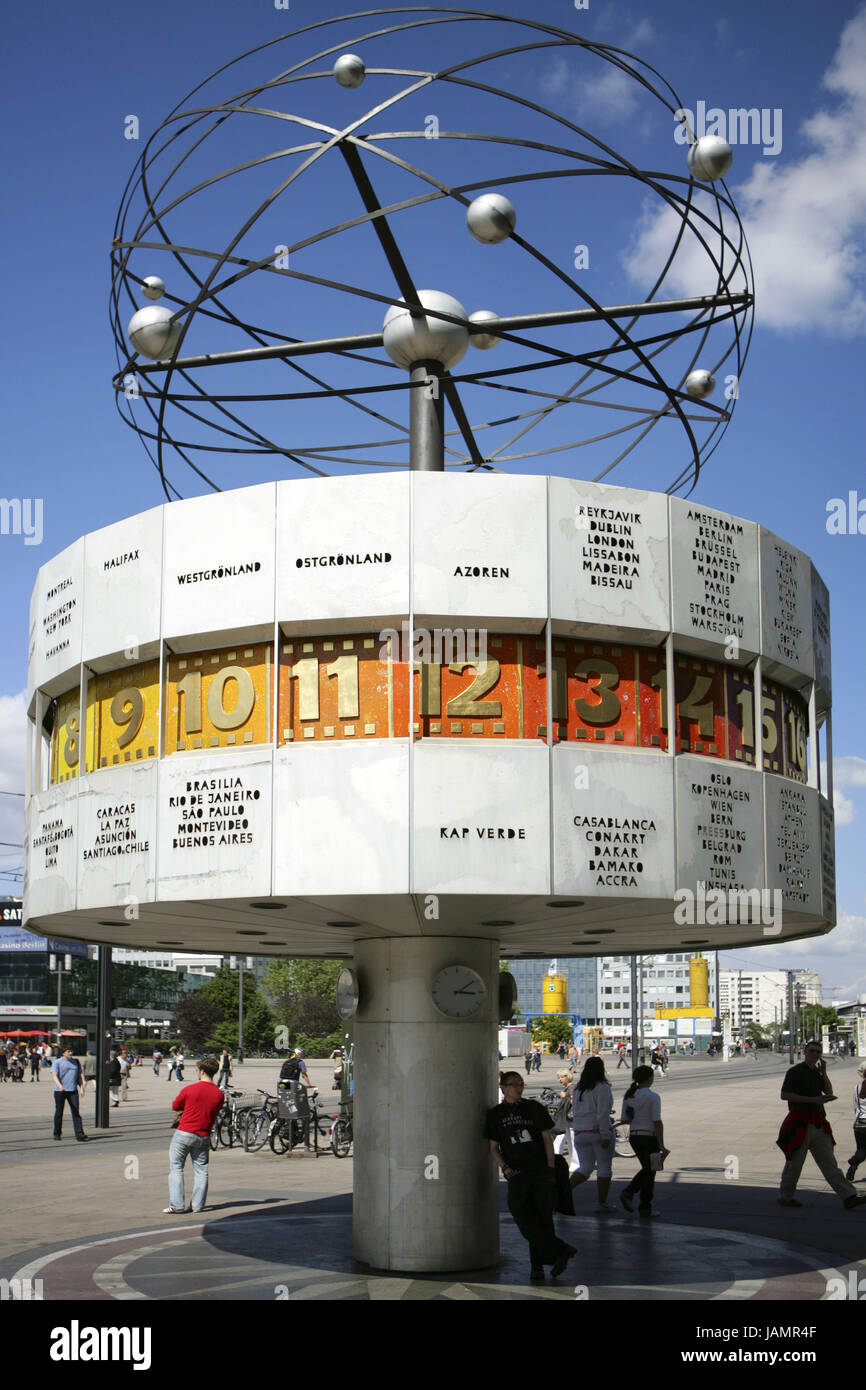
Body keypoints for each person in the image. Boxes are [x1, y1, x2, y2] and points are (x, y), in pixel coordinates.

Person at [484, 1071, 577, 1282]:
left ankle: (539, 1267)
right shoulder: (495, 1115)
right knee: (522, 1216)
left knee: (543, 1219)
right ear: (503, 1087)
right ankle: (560, 1250)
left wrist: (550, 1168)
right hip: (517, 1174)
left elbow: (546, 1138)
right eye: (513, 1084)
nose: (518, 1088)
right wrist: (505, 1169)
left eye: (521, 1084)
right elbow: (493, 1146)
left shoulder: (533, 1108)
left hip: (540, 1170)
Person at [777, 1039, 866, 1210]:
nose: (815, 1054)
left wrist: (824, 1072)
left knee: (829, 1163)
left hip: (818, 1123)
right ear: (804, 1052)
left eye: (818, 1052)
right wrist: (813, 1100)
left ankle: (849, 1196)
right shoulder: (795, 1072)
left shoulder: (816, 1072)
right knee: (795, 1163)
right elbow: (784, 1095)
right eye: (812, 1051)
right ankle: (786, 1197)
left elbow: (829, 1092)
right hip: (800, 1122)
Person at [165, 1056, 225, 1214]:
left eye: (197, 1070)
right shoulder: (219, 1094)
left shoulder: (190, 1089)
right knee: (201, 1170)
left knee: (176, 1167)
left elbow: (175, 1105)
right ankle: (198, 1206)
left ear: (202, 1071)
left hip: (184, 1132)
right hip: (203, 1135)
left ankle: (177, 1205)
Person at [619, 1065, 668, 1217]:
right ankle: (641, 1203)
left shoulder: (629, 1096)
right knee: (650, 1170)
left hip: (634, 1136)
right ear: (649, 1078)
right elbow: (657, 1122)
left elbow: (625, 1119)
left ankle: (632, 1196)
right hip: (649, 1137)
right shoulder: (653, 1097)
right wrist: (662, 1144)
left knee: (648, 1169)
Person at [568, 1057, 614, 1210]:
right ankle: (602, 1203)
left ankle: (561, 1194)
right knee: (604, 1168)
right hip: (597, 1132)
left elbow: (575, 1111)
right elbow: (602, 1113)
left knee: (585, 1168)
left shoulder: (578, 1088)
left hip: (580, 1132)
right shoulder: (602, 1087)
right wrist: (605, 1135)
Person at [51, 1046, 88, 1141]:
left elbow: (79, 1077)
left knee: (76, 1112)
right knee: (59, 1112)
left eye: (71, 1051)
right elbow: (54, 1076)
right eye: (68, 1051)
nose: (70, 1053)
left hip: (73, 1091)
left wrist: (82, 1088)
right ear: (63, 1053)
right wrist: (59, 1085)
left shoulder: (76, 1062)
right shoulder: (57, 1062)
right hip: (60, 1091)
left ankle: (79, 1133)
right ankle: (57, 1133)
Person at [847, 1066, 866, 1181]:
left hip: (860, 1121)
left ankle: (854, 1164)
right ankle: (854, 1162)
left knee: (861, 1149)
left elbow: (856, 1106)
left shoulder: (857, 1088)